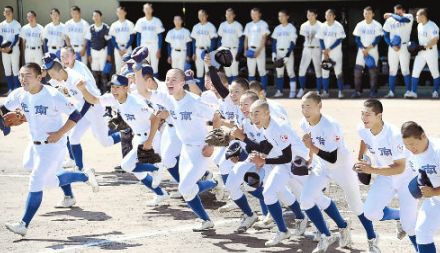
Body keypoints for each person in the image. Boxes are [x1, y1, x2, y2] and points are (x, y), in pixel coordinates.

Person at [2, 63, 99, 236]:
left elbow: (75, 114)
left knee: (36, 180)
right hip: (34, 145)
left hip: (53, 146)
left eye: (28, 76)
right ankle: (84, 175)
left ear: (39, 77)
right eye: (21, 75)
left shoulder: (53, 95)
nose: (23, 79)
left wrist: (60, 133)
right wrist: (6, 123)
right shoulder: (19, 94)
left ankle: (23, 224)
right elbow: (2, 110)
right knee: (48, 180)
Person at [77, 74, 169, 206]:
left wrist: (149, 141)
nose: (114, 90)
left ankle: (155, 167)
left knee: (127, 165)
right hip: (138, 137)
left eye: (118, 87)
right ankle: (161, 194)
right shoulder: (113, 98)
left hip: (150, 137)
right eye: (113, 87)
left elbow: (155, 118)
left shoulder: (136, 103)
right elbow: (93, 99)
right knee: (139, 173)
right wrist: (82, 89)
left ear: (126, 88)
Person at [143, 68, 218, 231]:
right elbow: (143, 91)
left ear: (183, 83)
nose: (170, 82)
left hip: (201, 150)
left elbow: (216, 116)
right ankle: (206, 219)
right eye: (168, 79)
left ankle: (213, 183)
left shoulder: (194, 101)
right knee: (187, 189)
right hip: (186, 150)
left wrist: (212, 143)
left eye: (174, 79)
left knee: (185, 188)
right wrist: (137, 67)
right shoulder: (169, 100)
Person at [300, 91, 372, 253]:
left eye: (309, 107)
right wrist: (309, 156)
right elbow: (311, 140)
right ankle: (327, 235)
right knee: (306, 200)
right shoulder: (304, 123)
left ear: (319, 106)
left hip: (342, 166)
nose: (305, 110)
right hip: (321, 167)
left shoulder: (331, 126)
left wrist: (311, 147)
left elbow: (332, 157)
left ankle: (372, 238)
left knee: (356, 205)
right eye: (303, 107)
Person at [354, 99, 418, 252]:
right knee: (370, 213)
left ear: (379, 115)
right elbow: (364, 139)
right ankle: (398, 216)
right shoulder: (362, 128)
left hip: (407, 177)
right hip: (385, 174)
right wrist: (360, 158)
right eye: (362, 114)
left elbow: (399, 168)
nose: (364, 118)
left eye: (368, 115)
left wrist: (371, 169)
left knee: (409, 225)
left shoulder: (394, 135)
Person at [44, 54, 121, 173]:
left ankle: (126, 135)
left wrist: (77, 117)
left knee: (104, 141)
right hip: (83, 108)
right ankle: (79, 169)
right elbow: (50, 83)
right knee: (73, 137)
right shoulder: (62, 74)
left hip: (95, 108)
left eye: (52, 75)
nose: (52, 77)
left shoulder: (76, 78)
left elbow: (90, 100)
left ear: (58, 71)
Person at [401, 121, 440, 253]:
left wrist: (434, 191)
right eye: (406, 145)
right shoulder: (412, 156)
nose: (410, 148)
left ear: (423, 136)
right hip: (436, 201)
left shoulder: (438, 151)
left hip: (436, 195)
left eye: (412, 144)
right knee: (422, 231)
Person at [382, 4, 414, 98]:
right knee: (392, 70)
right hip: (393, 48)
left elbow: (401, 19)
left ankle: (408, 91)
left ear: (403, 11)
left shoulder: (408, 16)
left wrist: (391, 14)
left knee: (405, 70)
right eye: (395, 11)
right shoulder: (389, 20)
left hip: (404, 46)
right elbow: (385, 35)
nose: (397, 13)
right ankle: (391, 92)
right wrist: (392, 45)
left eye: (399, 11)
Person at [408, 8, 439, 99]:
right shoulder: (419, 26)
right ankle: (413, 92)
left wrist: (423, 46)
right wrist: (417, 47)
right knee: (415, 71)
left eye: (417, 15)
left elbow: (435, 40)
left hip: (431, 52)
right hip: (421, 53)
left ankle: (435, 92)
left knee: (435, 73)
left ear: (423, 16)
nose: (415, 17)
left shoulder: (432, 25)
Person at [352, 6, 383, 98]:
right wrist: (362, 48)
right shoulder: (359, 25)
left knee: (373, 72)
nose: (367, 15)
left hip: (372, 50)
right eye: (365, 13)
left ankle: (373, 91)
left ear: (373, 14)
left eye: (369, 13)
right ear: (363, 14)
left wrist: (368, 48)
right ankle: (357, 91)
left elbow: (378, 38)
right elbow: (357, 39)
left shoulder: (377, 25)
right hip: (361, 50)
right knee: (357, 72)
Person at [316, 9, 346, 99]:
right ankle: (325, 91)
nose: (328, 17)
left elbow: (339, 39)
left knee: (338, 73)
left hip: (336, 53)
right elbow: (320, 39)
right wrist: (324, 50)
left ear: (334, 16)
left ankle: (340, 92)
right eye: (326, 15)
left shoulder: (338, 26)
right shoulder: (322, 26)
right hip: (325, 53)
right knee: (325, 72)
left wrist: (329, 49)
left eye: (329, 15)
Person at [271, 10, 297, 98]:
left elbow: (293, 42)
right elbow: (274, 42)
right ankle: (279, 91)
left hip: (287, 52)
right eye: (279, 16)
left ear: (287, 17)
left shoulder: (291, 27)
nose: (280, 18)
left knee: (290, 73)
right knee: (279, 73)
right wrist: (274, 53)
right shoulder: (277, 28)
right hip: (279, 52)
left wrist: (287, 55)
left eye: (282, 16)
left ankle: (293, 92)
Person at [134, 3, 164, 78]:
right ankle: (145, 86)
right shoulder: (140, 21)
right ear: (143, 10)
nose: (147, 10)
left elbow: (160, 36)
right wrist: (138, 49)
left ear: (152, 10)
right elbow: (138, 36)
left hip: (154, 45)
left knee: (154, 67)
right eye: (145, 9)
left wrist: (159, 49)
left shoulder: (157, 21)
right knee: (144, 66)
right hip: (143, 46)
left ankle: (156, 86)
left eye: (149, 9)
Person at [244, 8, 270, 92]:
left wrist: (258, 51)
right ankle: (251, 91)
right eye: (252, 14)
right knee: (251, 72)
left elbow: (264, 38)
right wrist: (245, 50)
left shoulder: (263, 24)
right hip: (250, 49)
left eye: (255, 14)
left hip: (260, 49)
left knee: (262, 71)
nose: (254, 16)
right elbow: (246, 38)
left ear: (260, 14)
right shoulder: (248, 25)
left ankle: (263, 91)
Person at [298, 9, 322, 98]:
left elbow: (322, 39)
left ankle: (319, 90)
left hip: (317, 48)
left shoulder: (321, 25)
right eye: (308, 15)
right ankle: (301, 89)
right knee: (302, 69)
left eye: (312, 15)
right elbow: (303, 38)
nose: (310, 17)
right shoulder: (304, 25)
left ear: (316, 15)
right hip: (307, 48)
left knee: (318, 70)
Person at [191, 9, 217, 87]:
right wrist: (193, 53)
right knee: (199, 71)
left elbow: (213, 40)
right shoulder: (196, 27)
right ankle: (200, 90)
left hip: (207, 50)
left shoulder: (210, 26)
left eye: (203, 15)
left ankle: (208, 90)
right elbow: (193, 40)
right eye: (199, 15)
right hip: (198, 49)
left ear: (206, 16)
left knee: (208, 72)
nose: (201, 17)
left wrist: (210, 52)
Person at [88, 10, 112, 93]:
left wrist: (109, 54)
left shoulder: (106, 27)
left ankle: (105, 91)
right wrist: (88, 55)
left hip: (103, 51)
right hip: (93, 52)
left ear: (101, 17)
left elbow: (109, 42)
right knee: (94, 73)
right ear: (92, 17)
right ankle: (96, 91)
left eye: (97, 16)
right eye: (94, 16)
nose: (96, 17)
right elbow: (88, 42)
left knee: (104, 73)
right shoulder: (91, 28)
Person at [217, 8, 244, 83]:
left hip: (234, 50)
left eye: (230, 14)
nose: (228, 16)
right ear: (225, 15)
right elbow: (219, 39)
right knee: (228, 72)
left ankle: (235, 88)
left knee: (234, 71)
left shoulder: (238, 25)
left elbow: (241, 40)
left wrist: (239, 52)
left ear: (234, 15)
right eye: (227, 14)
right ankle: (230, 89)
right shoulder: (222, 25)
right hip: (224, 50)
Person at [0, 5, 21, 93]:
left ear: (12, 13)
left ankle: (16, 89)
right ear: (3, 13)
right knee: (7, 69)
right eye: (6, 11)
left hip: (14, 49)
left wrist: (10, 47)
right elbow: (0, 37)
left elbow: (16, 37)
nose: (7, 13)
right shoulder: (1, 24)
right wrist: (1, 47)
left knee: (15, 69)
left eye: (9, 11)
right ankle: (10, 89)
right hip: (4, 50)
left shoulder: (16, 24)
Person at [110, 6, 135, 72]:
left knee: (129, 66)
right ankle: (119, 82)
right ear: (117, 13)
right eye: (118, 12)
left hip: (127, 47)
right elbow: (112, 39)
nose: (120, 14)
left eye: (122, 12)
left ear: (125, 13)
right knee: (118, 66)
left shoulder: (130, 24)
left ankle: (129, 82)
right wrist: (118, 49)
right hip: (118, 47)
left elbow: (132, 37)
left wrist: (126, 48)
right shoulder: (114, 24)